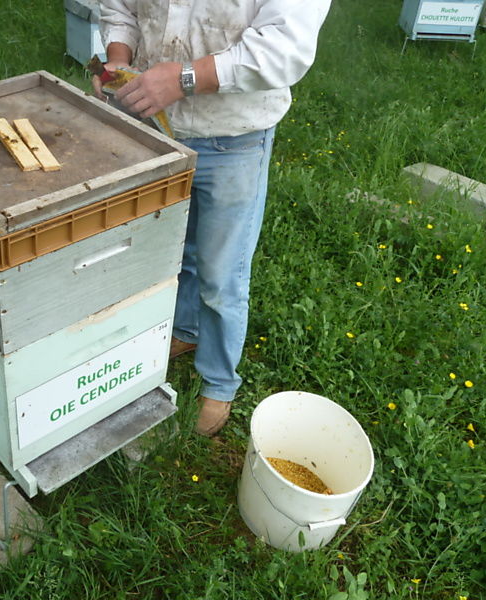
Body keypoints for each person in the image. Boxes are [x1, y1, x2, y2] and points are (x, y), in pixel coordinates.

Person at [93, 0, 332, 436]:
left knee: (223, 276)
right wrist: (118, 61)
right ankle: (185, 328)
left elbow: (284, 48)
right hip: (156, 130)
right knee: (177, 248)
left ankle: (220, 384)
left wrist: (187, 78)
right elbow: (119, 7)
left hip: (234, 138)